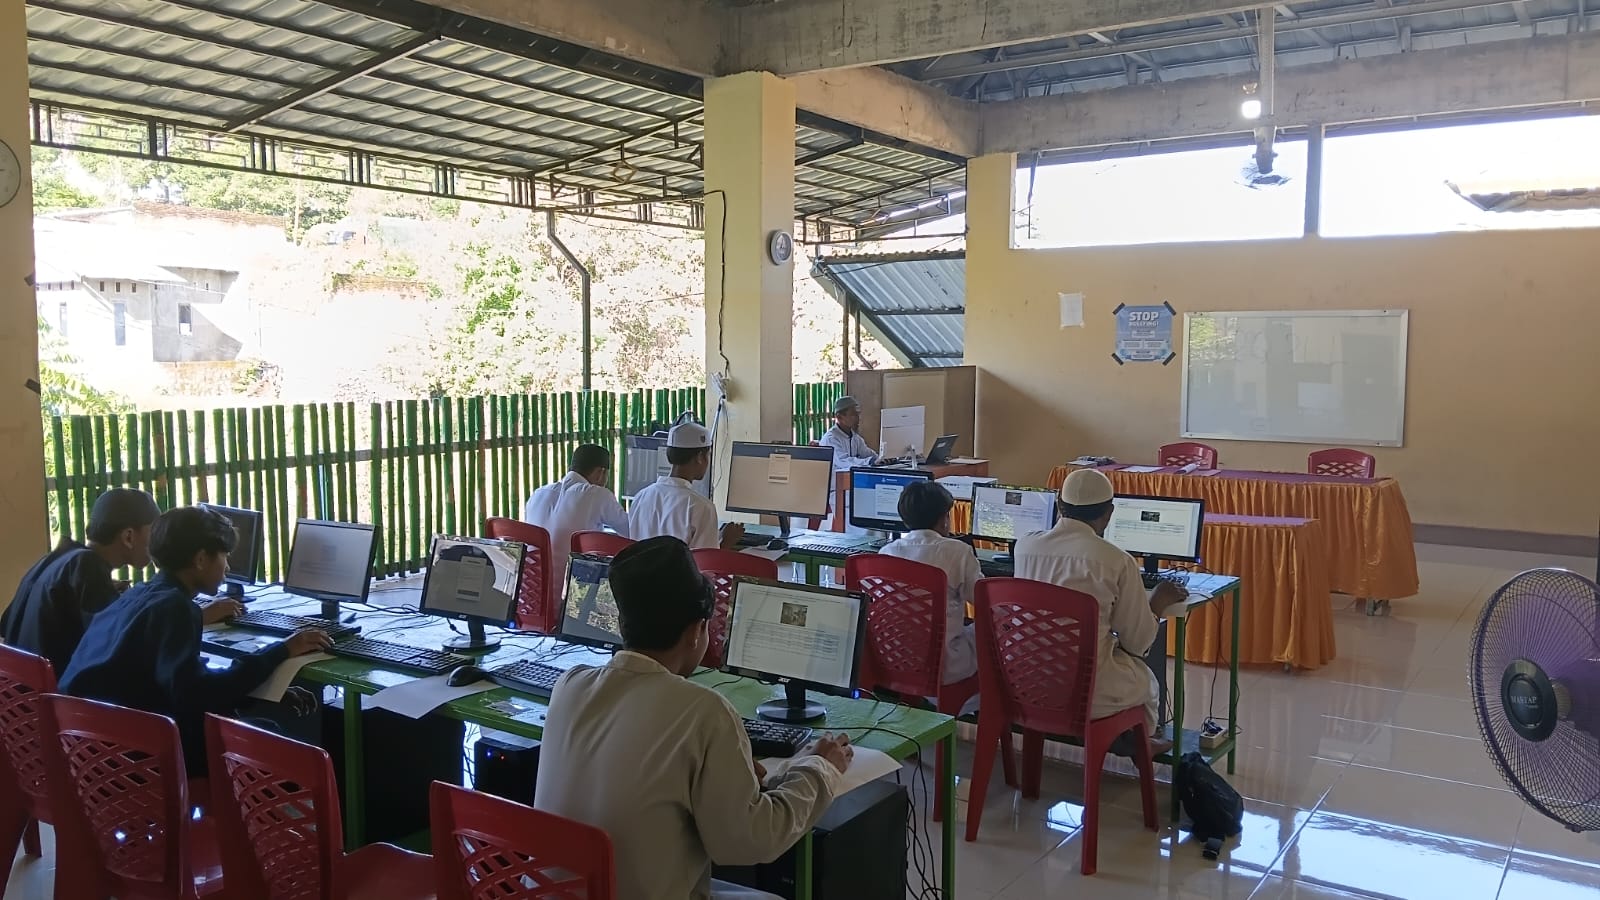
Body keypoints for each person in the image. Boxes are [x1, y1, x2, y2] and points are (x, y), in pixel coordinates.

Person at [534, 536, 852, 900]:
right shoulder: (704, 711)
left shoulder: (569, 685)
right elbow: (750, 842)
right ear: (696, 630)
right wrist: (819, 768)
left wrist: (729, 773)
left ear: (623, 623)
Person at [60, 506, 331, 775]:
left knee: (255, 717)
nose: (227, 567)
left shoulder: (139, 595)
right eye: (224, 556)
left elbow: (182, 683)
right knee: (273, 741)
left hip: (89, 751)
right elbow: (197, 695)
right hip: (136, 762)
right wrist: (281, 650)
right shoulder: (175, 607)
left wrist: (260, 691)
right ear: (201, 559)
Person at [1013, 469, 1184, 748]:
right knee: (1146, 680)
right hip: (1085, 691)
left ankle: (1119, 738)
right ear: (1109, 513)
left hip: (1025, 681)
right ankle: (1135, 743)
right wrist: (1157, 603)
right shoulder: (1116, 560)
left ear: (1058, 504)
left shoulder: (1025, 546)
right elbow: (1138, 643)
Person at [1, 489, 241, 676]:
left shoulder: (58, 558)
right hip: (65, 708)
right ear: (128, 536)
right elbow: (118, 637)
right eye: (154, 531)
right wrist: (201, 615)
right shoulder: (86, 567)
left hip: (22, 705)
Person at [877, 481, 978, 687]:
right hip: (944, 663)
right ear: (944, 519)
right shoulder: (957, 552)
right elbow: (982, 600)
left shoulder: (886, 554)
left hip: (895, 657)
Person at [628, 421, 743, 550]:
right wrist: (726, 542)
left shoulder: (641, 497)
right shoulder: (701, 507)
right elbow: (706, 565)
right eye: (708, 454)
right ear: (700, 457)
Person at [524, 443, 630, 579]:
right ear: (601, 472)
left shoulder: (538, 494)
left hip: (531, 591)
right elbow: (632, 531)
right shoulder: (595, 494)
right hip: (573, 592)